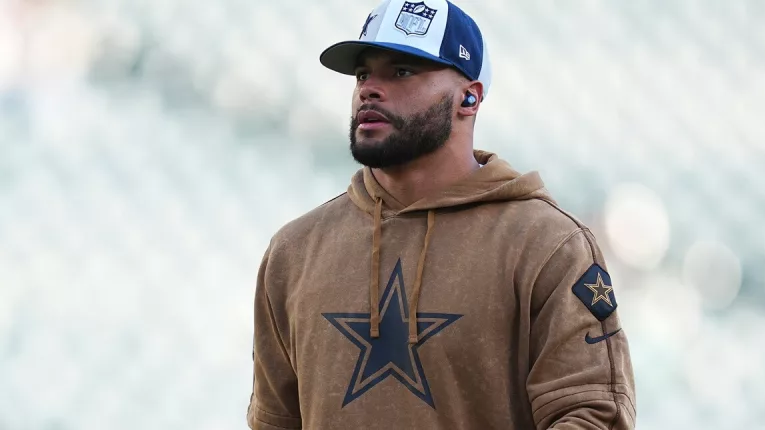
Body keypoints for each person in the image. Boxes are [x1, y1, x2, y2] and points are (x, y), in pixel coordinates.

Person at [247, 0, 636, 428]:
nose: (369, 89)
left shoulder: (546, 244)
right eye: (363, 74)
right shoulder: (295, 251)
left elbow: (592, 415)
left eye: (401, 71)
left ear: (469, 97)